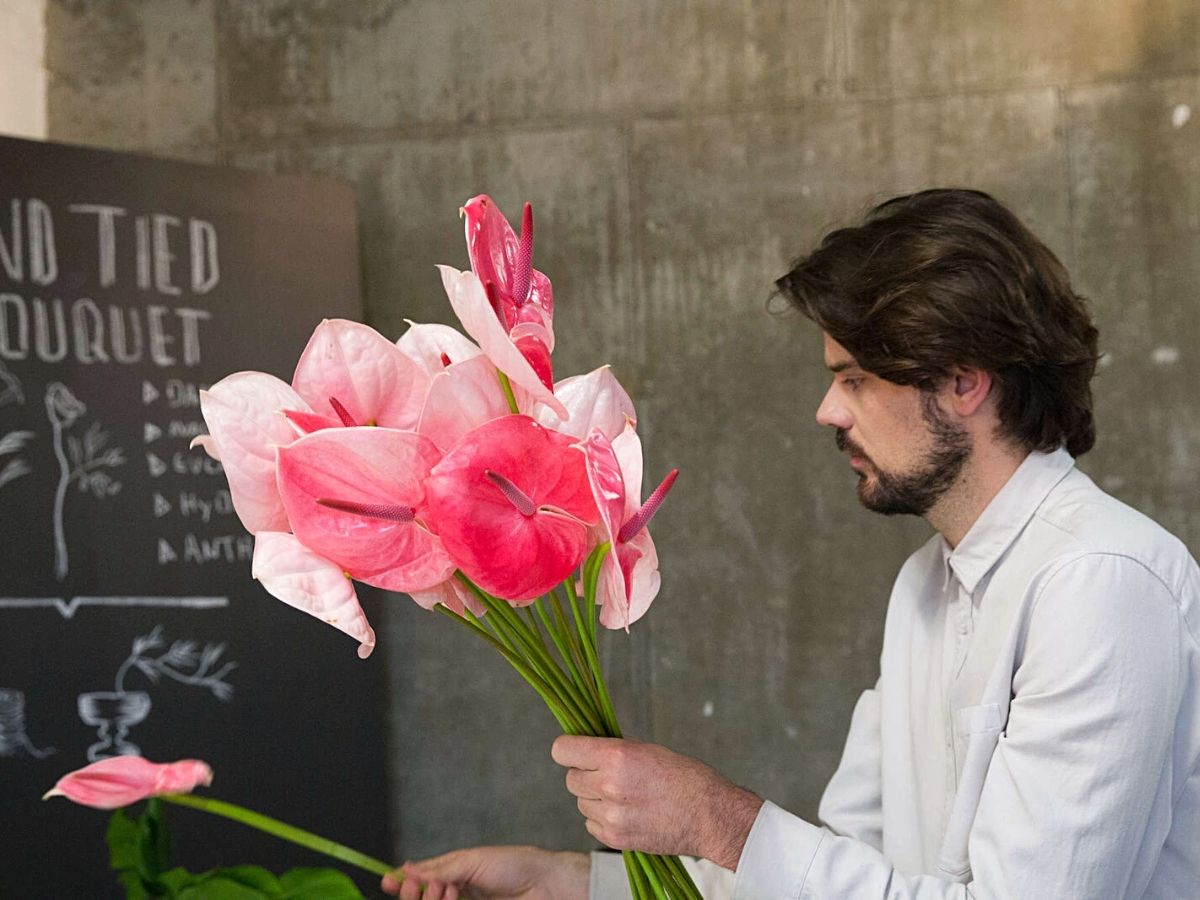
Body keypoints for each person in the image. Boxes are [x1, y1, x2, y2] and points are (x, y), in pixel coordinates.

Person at [382, 189, 1200, 899]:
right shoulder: (925, 587)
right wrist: (572, 883)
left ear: (963, 379)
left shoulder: (1100, 581)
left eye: (853, 378)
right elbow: (843, 874)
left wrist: (713, 818)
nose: (828, 412)